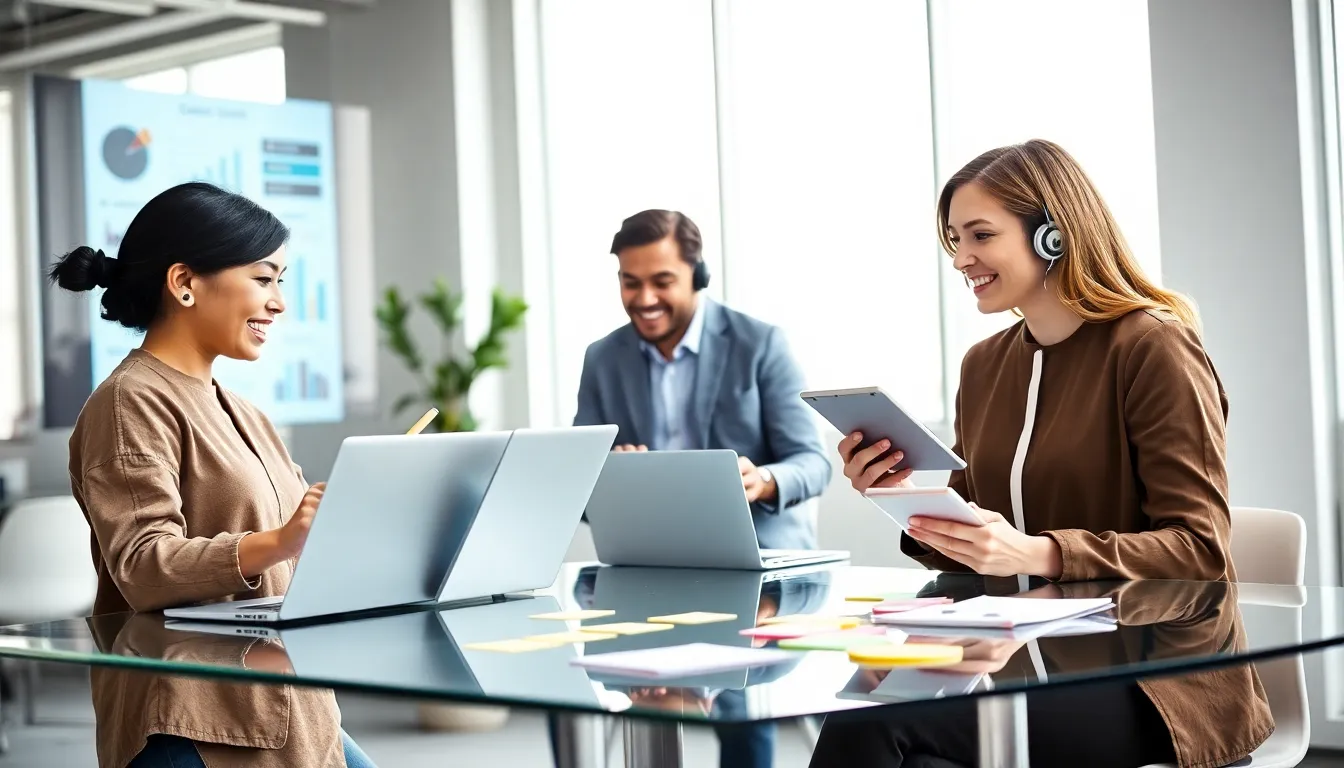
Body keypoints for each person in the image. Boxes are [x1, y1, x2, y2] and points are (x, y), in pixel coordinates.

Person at [809, 140, 1271, 768]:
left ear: (1053, 234)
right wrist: (903, 492)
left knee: (875, 728)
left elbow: (1200, 550)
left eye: (980, 235)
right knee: (883, 711)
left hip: (1153, 682)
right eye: (954, 240)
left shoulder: (1153, 347)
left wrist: (1042, 552)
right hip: (1015, 654)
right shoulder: (985, 365)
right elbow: (982, 538)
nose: (962, 258)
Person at [50, 182, 375, 768]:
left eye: (282, 281)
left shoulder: (243, 410)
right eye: (263, 278)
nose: (279, 302)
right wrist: (278, 542)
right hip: (197, 720)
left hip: (288, 708)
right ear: (184, 284)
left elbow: (295, 552)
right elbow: (144, 566)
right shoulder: (130, 403)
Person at [573, 208, 831, 550]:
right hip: (653, 558)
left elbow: (814, 464)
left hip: (762, 556)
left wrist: (763, 481)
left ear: (698, 276)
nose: (645, 299)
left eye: (662, 282)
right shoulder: (602, 359)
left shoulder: (760, 345)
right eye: (630, 282)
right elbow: (575, 484)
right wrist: (614, 482)